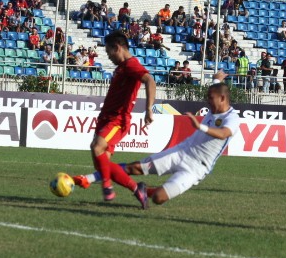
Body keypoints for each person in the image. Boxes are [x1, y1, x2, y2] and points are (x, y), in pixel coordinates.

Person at [72, 71, 239, 206]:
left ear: (222, 99)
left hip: (197, 169)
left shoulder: (232, 118)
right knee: (134, 168)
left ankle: (144, 189)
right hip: (181, 152)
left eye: (210, 98)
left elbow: (224, 133)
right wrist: (217, 78)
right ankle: (88, 178)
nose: (207, 101)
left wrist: (199, 126)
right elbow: (216, 86)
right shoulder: (216, 100)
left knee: (158, 198)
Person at [88, 31, 156, 208]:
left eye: (109, 52)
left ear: (117, 47)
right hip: (106, 118)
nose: (109, 57)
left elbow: (150, 80)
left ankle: (107, 187)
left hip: (118, 120)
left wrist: (148, 109)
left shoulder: (131, 65)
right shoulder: (121, 68)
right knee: (101, 165)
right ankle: (137, 189)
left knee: (97, 147)